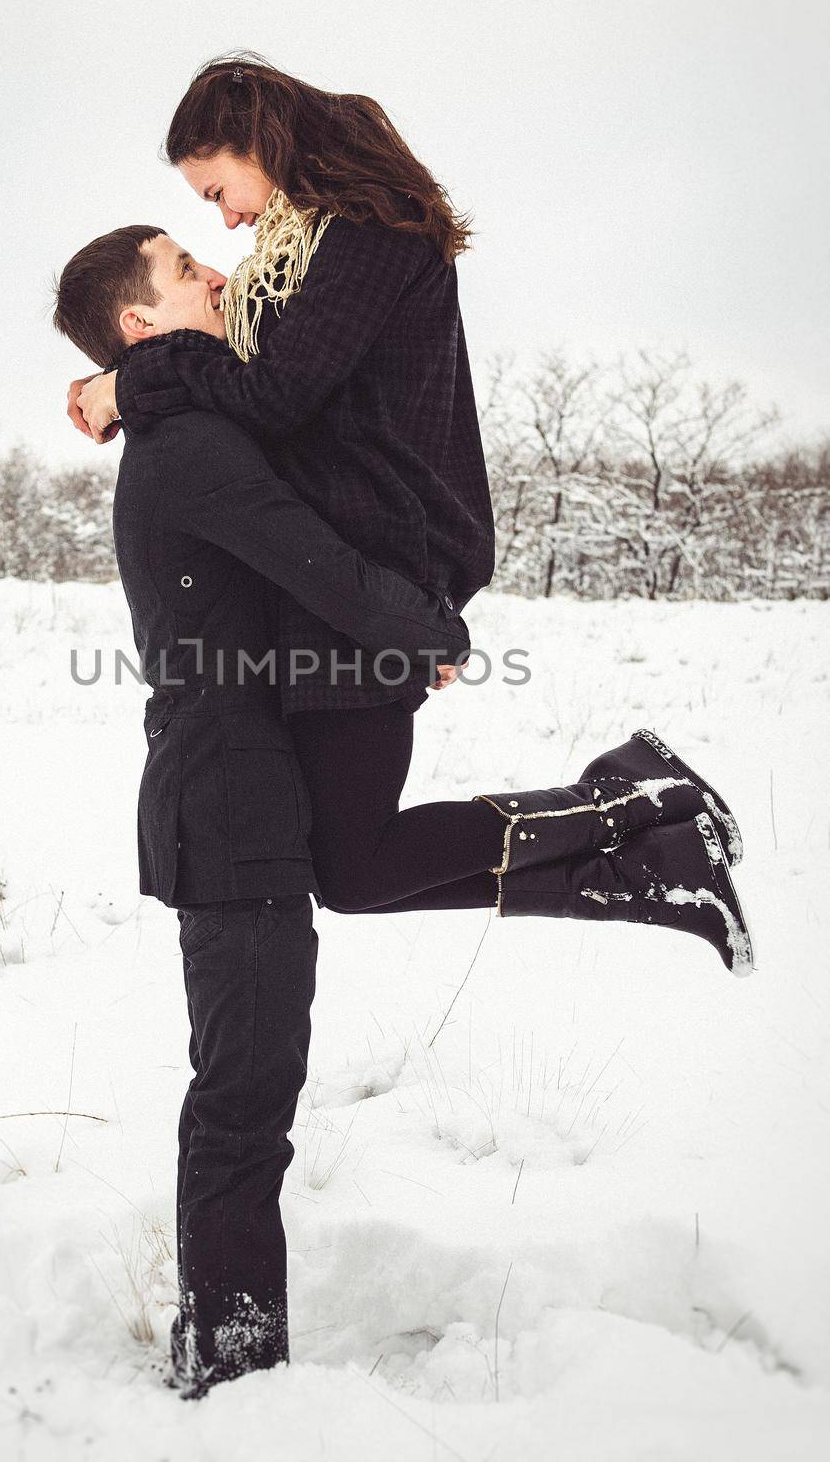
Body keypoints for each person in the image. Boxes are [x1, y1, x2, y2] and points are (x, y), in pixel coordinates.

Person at [54, 221, 755, 1398]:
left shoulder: (187, 414)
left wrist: (117, 383)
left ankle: (638, 824)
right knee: (242, 1099)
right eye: (187, 269)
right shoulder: (183, 447)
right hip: (224, 799)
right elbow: (307, 557)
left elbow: (303, 431)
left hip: (247, 783)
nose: (216, 272)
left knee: (323, 948)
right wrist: (426, 629)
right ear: (138, 322)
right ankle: (230, 1368)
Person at [67, 58, 752, 958]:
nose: (226, 217)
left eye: (218, 188)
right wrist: (132, 373)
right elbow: (236, 388)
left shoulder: (367, 234)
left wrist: (136, 374)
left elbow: (272, 396)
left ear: (260, 142)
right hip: (344, 577)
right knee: (348, 869)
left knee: (353, 865)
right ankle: (646, 869)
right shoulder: (302, 248)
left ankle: (630, 803)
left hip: (379, 559)